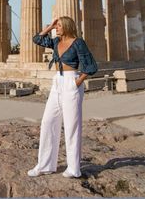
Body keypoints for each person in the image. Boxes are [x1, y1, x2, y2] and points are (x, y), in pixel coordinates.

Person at [27, 16, 98, 178]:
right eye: (56, 26)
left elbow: (91, 65)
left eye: (58, 26)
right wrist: (49, 27)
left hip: (71, 82)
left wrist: (77, 82)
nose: (56, 28)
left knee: (72, 126)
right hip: (57, 83)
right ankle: (44, 165)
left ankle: (73, 168)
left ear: (66, 26)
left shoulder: (78, 42)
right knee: (48, 122)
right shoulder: (55, 42)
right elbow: (37, 39)